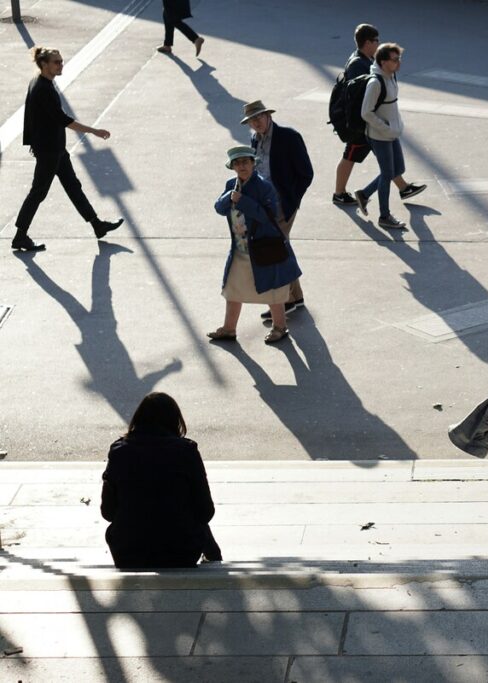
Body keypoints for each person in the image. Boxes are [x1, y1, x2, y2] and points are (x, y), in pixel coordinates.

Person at [11, 47, 123, 253]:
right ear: (44, 64)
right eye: (56, 62)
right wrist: (94, 131)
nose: (61, 65)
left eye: (61, 61)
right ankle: (20, 235)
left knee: (73, 186)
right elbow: (63, 119)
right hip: (49, 151)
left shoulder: (41, 82)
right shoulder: (42, 88)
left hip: (55, 148)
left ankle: (97, 225)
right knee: (38, 192)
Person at [101, 392, 221, 569]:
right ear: (175, 421)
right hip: (180, 551)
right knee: (190, 515)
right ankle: (215, 558)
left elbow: (108, 512)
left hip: (129, 552)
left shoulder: (119, 451)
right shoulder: (186, 452)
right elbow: (205, 511)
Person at [209, 146, 301, 344]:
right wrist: (229, 196)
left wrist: (243, 201)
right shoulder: (231, 185)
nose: (241, 166)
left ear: (253, 163)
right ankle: (229, 328)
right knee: (233, 289)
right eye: (237, 163)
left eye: (245, 162)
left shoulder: (264, 187)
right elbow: (219, 208)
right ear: (232, 167)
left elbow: (268, 216)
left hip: (263, 248)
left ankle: (280, 327)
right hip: (240, 248)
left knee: (273, 290)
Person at [332, 24, 425, 207]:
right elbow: (359, 97)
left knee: (385, 160)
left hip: (372, 123)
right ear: (367, 42)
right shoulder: (358, 64)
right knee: (350, 155)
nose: (378, 43)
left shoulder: (367, 59)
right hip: (363, 124)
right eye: (376, 40)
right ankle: (340, 193)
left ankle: (402, 187)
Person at [241, 100, 313, 318]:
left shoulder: (288, 137)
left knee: (274, 248)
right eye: (252, 120)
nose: (256, 123)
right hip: (265, 203)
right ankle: (296, 296)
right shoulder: (255, 139)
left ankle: (285, 301)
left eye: (259, 117)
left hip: (281, 203)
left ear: (268, 116)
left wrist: (291, 199)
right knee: (282, 246)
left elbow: (306, 174)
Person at [353, 42, 415, 231]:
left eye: (399, 58)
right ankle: (384, 216)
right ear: (383, 62)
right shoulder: (375, 83)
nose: (399, 63)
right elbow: (366, 112)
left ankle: (364, 194)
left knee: (398, 169)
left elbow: (391, 106)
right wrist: (386, 128)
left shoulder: (391, 75)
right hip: (379, 136)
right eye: (395, 59)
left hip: (392, 132)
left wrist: (396, 126)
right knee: (387, 174)